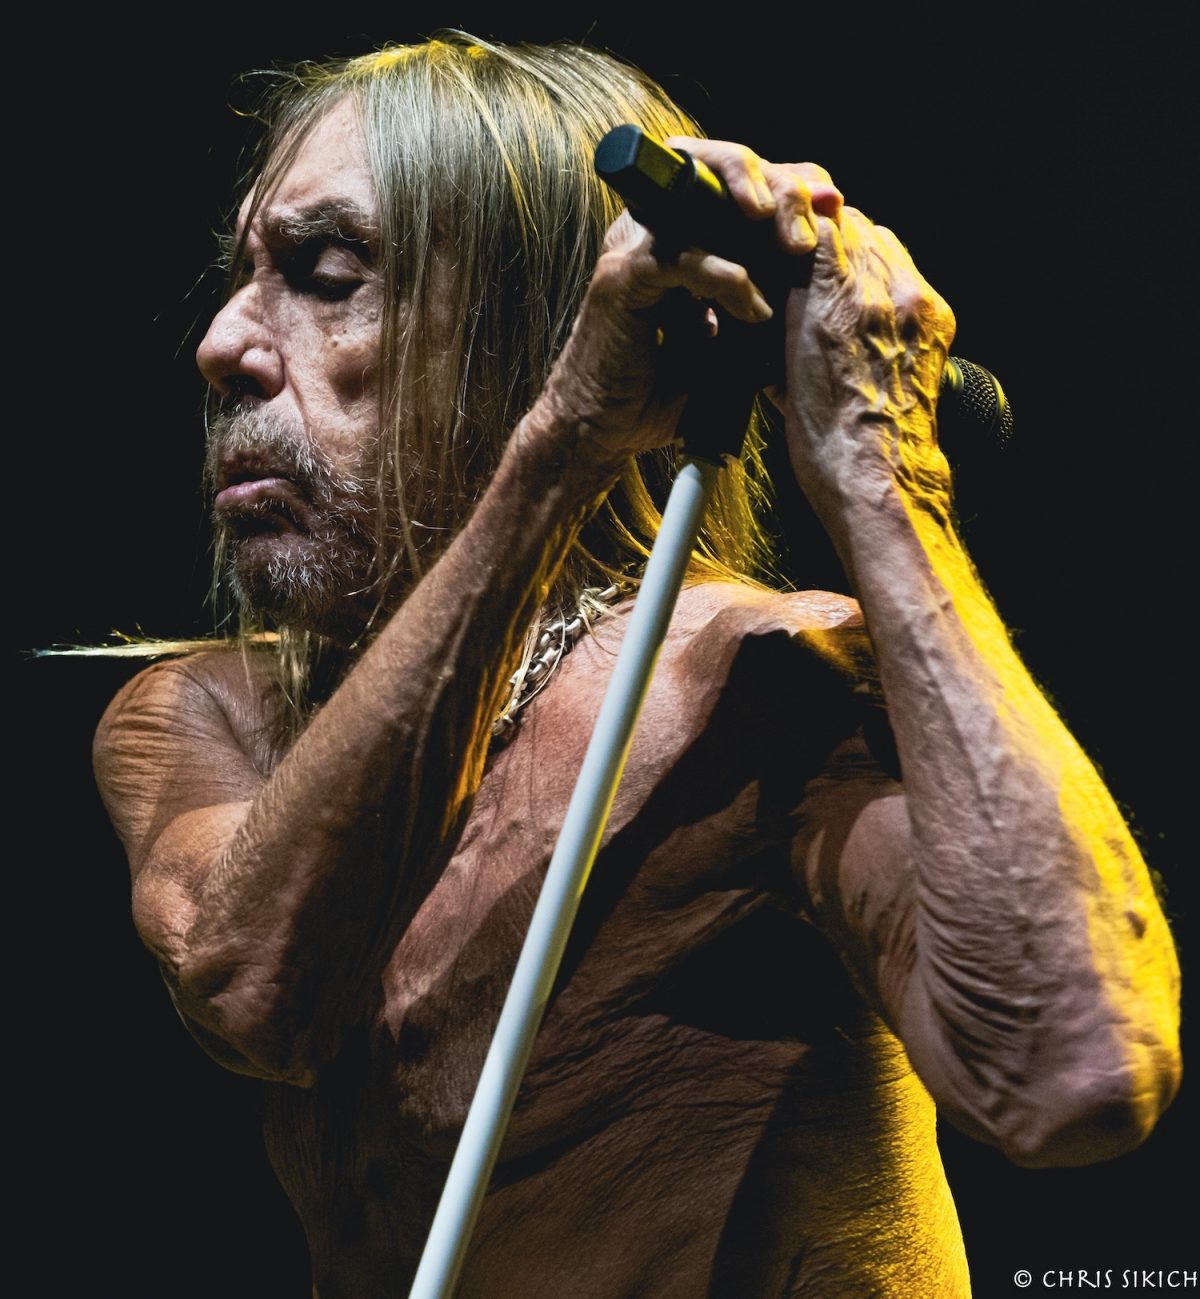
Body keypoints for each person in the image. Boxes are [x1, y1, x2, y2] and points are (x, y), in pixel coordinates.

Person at [92, 33, 1182, 1297]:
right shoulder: (206, 710)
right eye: (242, 275)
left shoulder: (757, 686)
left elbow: (1075, 1073)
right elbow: (256, 993)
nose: (223, 342)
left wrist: (887, 482)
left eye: (328, 276)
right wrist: (559, 446)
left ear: (552, 336)